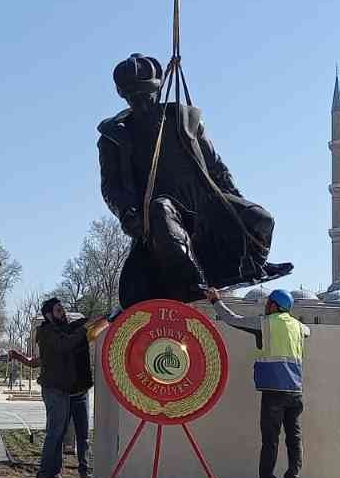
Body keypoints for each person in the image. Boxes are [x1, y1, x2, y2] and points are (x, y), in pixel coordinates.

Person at [98, 53, 292, 308]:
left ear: (156, 91)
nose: (142, 104)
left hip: (203, 202)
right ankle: (192, 284)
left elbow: (216, 167)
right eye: (134, 99)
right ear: (124, 97)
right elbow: (111, 186)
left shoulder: (184, 120)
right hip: (161, 210)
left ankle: (251, 266)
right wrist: (126, 212)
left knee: (262, 220)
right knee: (161, 212)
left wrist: (235, 202)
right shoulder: (115, 137)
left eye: (146, 96)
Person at [205, 287, 311, 478]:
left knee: (270, 439)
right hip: (295, 392)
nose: (265, 306)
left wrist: (216, 301)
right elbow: (309, 331)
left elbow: (232, 319)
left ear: (274, 305)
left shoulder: (266, 324)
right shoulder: (299, 327)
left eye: (268, 303)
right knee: (294, 439)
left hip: (273, 391)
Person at [12, 298, 103, 478]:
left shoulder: (60, 331)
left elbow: (73, 334)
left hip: (63, 389)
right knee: (55, 433)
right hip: (55, 390)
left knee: (60, 433)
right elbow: (65, 345)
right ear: (49, 314)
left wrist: (101, 319)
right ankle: (46, 474)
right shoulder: (48, 333)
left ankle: (53, 473)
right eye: (58, 310)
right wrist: (85, 330)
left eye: (63, 309)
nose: (63, 313)